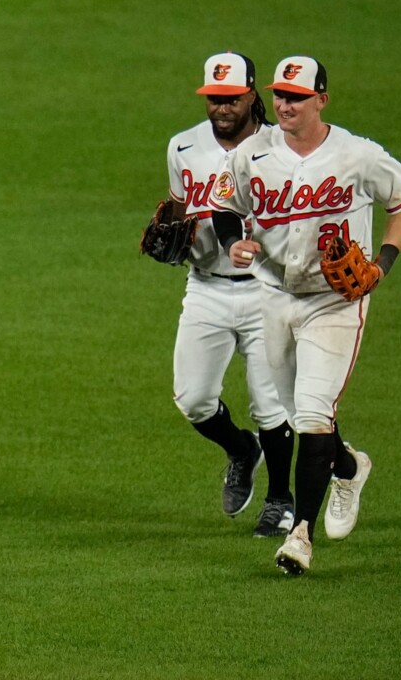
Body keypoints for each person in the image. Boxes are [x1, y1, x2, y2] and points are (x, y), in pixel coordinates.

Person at [210, 56, 401, 575]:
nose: (285, 104)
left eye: (297, 97)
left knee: (308, 412)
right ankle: (348, 467)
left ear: (321, 99)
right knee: (298, 410)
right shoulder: (254, 152)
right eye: (280, 95)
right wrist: (235, 242)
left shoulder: (357, 155)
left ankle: (300, 535)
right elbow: (224, 206)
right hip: (275, 296)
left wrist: (382, 264)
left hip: (336, 302)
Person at [160, 52, 295, 537]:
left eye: (231, 98)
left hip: (266, 291)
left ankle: (281, 501)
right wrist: (169, 235)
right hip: (205, 289)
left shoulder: (280, 147)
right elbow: (178, 208)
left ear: (252, 94)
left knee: (271, 406)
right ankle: (241, 449)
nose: (221, 108)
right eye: (214, 98)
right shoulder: (182, 147)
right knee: (193, 400)